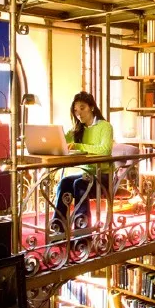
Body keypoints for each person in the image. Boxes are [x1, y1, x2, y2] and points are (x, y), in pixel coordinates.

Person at [50, 91, 114, 233]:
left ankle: (83, 233)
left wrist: (78, 146)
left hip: (104, 176)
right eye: (75, 110)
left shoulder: (105, 126)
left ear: (92, 107)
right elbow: (60, 140)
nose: (78, 113)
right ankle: (59, 228)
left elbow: (105, 150)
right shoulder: (78, 129)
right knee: (65, 182)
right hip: (87, 174)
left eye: (82, 108)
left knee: (80, 184)